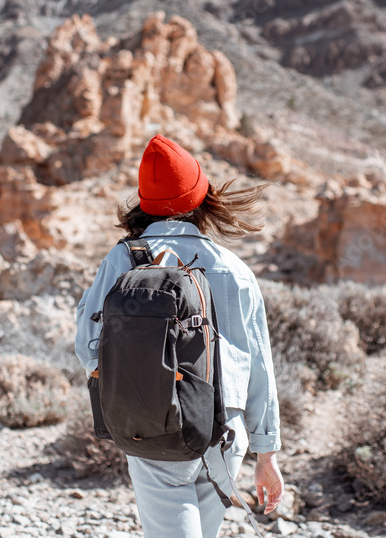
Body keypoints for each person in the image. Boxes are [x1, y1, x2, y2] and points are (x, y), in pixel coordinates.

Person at [75, 134, 283, 538]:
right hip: (226, 431)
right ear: (201, 198)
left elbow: (88, 346)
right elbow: (260, 366)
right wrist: (266, 453)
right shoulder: (234, 268)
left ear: (145, 203)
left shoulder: (123, 258)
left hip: (155, 420)